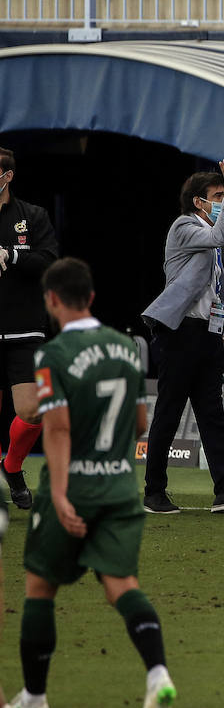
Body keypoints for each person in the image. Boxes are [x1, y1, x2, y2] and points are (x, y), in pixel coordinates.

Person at [5, 258, 177, 708]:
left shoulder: (50, 357)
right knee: (122, 586)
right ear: (92, 299)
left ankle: (35, 697)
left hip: (76, 487)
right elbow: (141, 421)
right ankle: (157, 674)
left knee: (40, 587)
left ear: (52, 301)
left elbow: (56, 429)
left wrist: (59, 495)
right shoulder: (126, 348)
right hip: (121, 487)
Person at [142, 162, 224, 515]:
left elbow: (212, 292)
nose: (222, 203)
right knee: (169, 412)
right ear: (198, 202)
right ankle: (154, 492)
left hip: (205, 335)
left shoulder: (207, 239)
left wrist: (216, 330)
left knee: (211, 413)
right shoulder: (184, 227)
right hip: (179, 334)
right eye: (217, 197)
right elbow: (221, 235)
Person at [0, 146, 58, 510]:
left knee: (34, 409)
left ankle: (13, 466)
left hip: (25, 329)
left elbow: (50, 260)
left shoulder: (32, 216)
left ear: (7, 176)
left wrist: (12, 255)